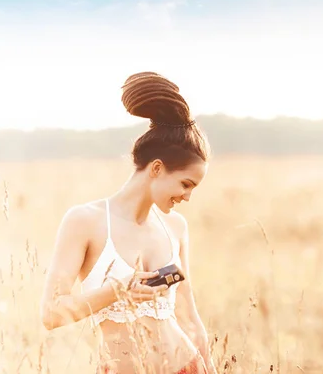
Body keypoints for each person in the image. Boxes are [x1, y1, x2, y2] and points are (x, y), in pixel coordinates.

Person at [39, 71, 218, 374]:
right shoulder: (85, 221)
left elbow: (189, 317)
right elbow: (51, 314)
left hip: (186, 367)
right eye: (185, 184)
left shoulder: (176, 228)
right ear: (157, 168)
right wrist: (119, 290)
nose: (187, 197)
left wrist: (210, 368)